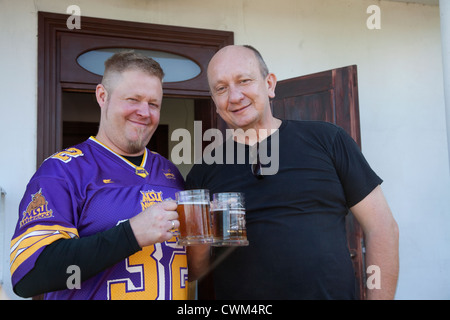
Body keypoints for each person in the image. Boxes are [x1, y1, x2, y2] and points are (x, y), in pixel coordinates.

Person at [186, 45, 399, 300]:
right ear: (215, 102)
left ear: (270, 84)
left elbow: (382, 228)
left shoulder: (329, 141)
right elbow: (195, 269)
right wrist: (198, 239)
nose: (234, 96)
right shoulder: (203, 173)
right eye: (221, 88)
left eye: (244, 81)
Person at [10, 51, 187, 300]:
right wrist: (131, 234)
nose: (144, 112)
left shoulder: (170, 173)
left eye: (153, 104)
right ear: (102, 96)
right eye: (133, 99)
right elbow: (28, 274)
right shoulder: (62, 171)